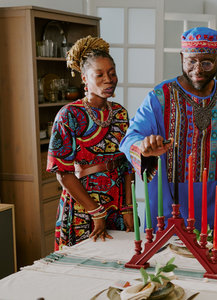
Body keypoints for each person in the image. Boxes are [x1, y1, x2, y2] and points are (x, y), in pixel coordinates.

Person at [119, 27, 217, 235]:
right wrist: (144, 146)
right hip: (166, 203)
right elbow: (130, 138)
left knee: (207, 262)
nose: (198, 69)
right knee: (165, 264)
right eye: (191, 61)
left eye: (206, 62)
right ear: (182, 57)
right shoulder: (160, 97)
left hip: (210, 205)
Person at [47, 36, 135, 250]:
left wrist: (128, 209)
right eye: (100, 75)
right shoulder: (68, 115)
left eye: (112, 73)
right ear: (85, 78)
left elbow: (126, 165)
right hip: (83, 206)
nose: (109, 79)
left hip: (117, 202)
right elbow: (63, 172)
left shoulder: (120, 113)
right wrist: (96, 212)